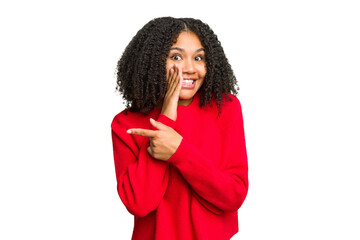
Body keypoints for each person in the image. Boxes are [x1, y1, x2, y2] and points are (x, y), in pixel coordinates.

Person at [111, 17, 248, 240]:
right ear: (152, 62)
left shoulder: (226, 108)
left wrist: (179, 152)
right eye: (176, 56)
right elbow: (139, 204)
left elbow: (233, 195)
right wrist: (166, 117)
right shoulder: (125, 124)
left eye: (199, 58)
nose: (190, 68)